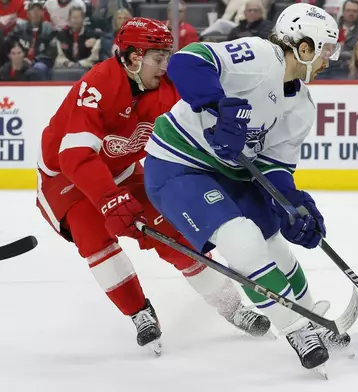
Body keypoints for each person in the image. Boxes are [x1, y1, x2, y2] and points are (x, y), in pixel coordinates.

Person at [36, 17, 270, 356]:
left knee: (177, 231)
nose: (166, 65)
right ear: (133, 58)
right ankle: (139, 314)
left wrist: (220, 128)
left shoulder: (165, 88)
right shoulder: (98, 85)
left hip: (124, 170)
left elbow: (194, 125)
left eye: (167, 55)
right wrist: (109, 199)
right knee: (94, 237)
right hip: (66, 179)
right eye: (158, 58)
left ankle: (233, 307)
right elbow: (75, 156)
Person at [142, 3, 351, 373]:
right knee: (242, 240)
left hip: (231, 170)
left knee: (274, 243)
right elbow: (187, 62)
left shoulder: (302, 105)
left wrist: (293, 205)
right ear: (304, 47)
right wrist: (216, 105)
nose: (328, 60)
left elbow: (274, 167)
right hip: (178, 165)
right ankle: (297, 328)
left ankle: (312, 317)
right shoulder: (258, 56)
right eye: (326, 50)